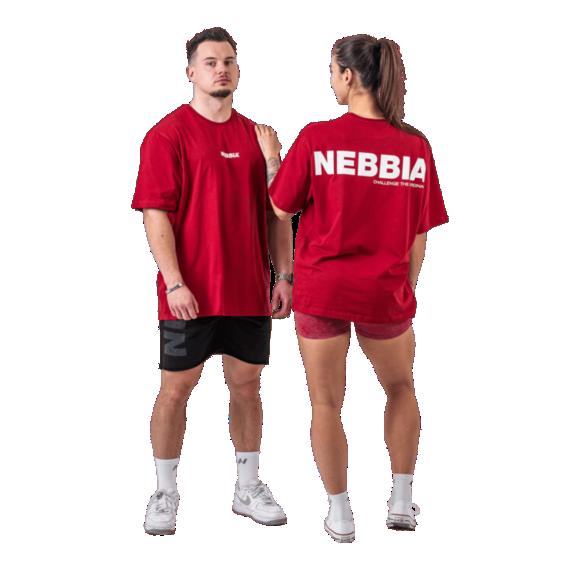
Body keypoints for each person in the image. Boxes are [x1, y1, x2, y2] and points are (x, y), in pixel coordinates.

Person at [267, 35, 449, 542]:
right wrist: (405, 290)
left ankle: (341, 513)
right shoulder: (415, 147)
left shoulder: (317, 138)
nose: (332, 81)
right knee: (401, 387)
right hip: (383, 293)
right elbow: (419, 234)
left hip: (322, 289)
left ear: (349, 77)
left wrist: (272, 160)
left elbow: (279, 207)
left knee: (326, 404)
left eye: (333, 72)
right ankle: (402, 501)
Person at [131, 27, 293, 536]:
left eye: (228, 61)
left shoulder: (259, 138)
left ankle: (247, 487)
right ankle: (164, 492)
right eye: (210, 62)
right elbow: (155, 213)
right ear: (191, 72)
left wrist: (283, 276)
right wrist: (174, 282)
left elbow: (278, 214)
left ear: (238, 71)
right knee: (175, 389)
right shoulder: (167, 135)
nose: (221, 69)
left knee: (247, 386)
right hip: (190, 294)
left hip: (248, 290)